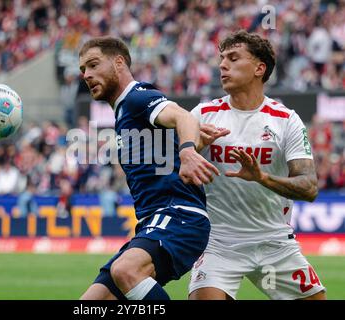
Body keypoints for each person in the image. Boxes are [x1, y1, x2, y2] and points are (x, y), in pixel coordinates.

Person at [78, 36, 227, 300]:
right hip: (153, 222)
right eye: (83, 70)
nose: (87, 75)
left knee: (126, 270)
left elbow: (183, 116)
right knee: (91, 302)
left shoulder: (137, 98)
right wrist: (189, 143)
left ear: (119, 62)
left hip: (179, 216)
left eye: (93, 65)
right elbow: (170, 139)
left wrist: (188, 150)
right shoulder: (125, 113)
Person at [188, 30, 326, 300]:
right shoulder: (202, 115)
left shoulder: (286, 120)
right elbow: (170, 175)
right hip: (219, 243)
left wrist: (262, 177)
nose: (222, 65)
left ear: (259, 68)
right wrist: (192, 152)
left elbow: (309, 187)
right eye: (221, 58)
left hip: (275, 243)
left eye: (233, 58)